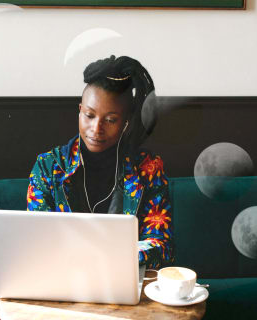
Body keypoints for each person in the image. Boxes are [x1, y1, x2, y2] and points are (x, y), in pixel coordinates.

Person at [26, 55, 173, 269]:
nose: (96, 129)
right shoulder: (48, 166)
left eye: (111, 120)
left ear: (126, 121)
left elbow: (161, 245)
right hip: (63, 279)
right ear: (79, 111)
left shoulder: (148, 169)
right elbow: (37, 240)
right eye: (89, 115)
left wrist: (108, 258)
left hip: (124, 280)